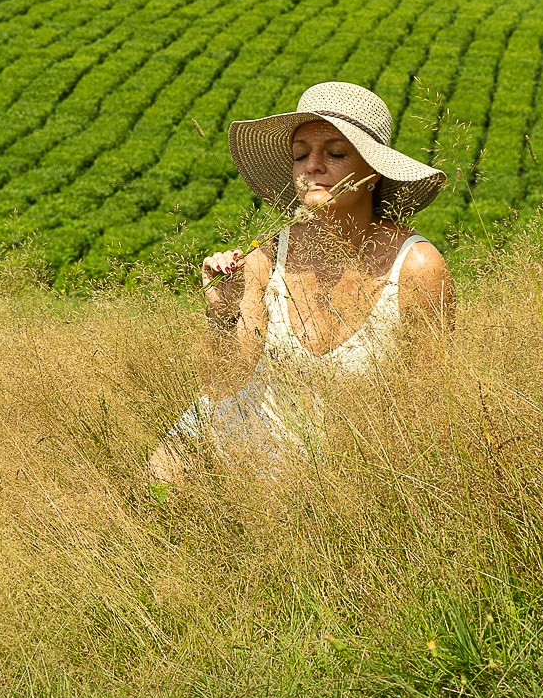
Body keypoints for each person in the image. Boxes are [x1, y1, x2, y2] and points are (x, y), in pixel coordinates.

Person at [147, 81, 455, 482]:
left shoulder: (417, 267)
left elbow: (431, 402)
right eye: (300, 154)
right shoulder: (267, 254)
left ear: (374, 171)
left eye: (336, 153)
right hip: (230, 450)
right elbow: (222, 384)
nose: (312, 166)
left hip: (337, 481)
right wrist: (221, 313)